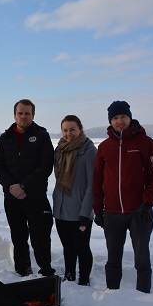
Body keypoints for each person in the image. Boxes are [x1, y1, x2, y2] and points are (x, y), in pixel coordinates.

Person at [93, 101, 153, 293]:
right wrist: (98, 210)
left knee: (142, 260)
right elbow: (97, 181)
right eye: (115, 118)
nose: (120, 121)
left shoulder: (145, 143)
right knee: (113, 259)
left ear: (130, 118)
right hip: (112, 213)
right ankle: (112, 295)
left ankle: (143, 297)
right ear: (110, 121)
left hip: (139, 212)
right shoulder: (104, 147)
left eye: (123, 117)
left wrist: (148, 202)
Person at [0, 99, 55, 277]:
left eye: (27, 113)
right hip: (12, 197)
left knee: (40, 237)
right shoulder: (6, 138)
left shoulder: (42, 135)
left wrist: (24, 186)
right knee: (18, 237)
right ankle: (22, 270)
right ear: (15, 115)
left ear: (33, 115)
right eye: (20, 113)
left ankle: (45, 271)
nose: (23, 116)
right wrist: (11, 186)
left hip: (35, 196)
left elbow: (46, 166)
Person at [52, 115, 97, 286]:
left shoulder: (89, 151)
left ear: (80, 129)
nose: (68, 133)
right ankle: (69, 275)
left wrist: (86, 211)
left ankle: (84, 280)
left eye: (72, 129)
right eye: (65, 130)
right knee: (68, 247)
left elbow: (93, 184)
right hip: (61, 209)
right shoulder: (60, 149)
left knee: (82, 248)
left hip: (80, 211)